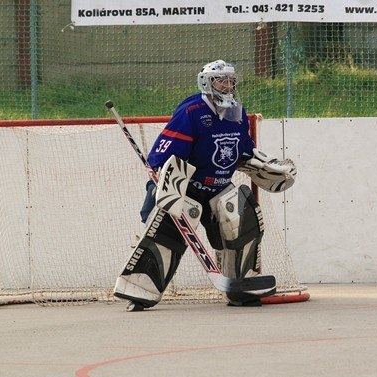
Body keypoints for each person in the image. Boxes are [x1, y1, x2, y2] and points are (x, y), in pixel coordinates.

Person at [114, 59, 297, 311]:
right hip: (187, 185)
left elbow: (243, 151)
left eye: (231, 81)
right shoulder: (192, 110)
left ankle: (241, 288)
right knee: (165, 230)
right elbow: (165, 155)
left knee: (242, 217)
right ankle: (139, 290)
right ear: (207, 83)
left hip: (219, 185)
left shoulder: (236, 112)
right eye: (221, 81)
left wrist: (264, 165)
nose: (228, 86)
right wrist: (165, 187)